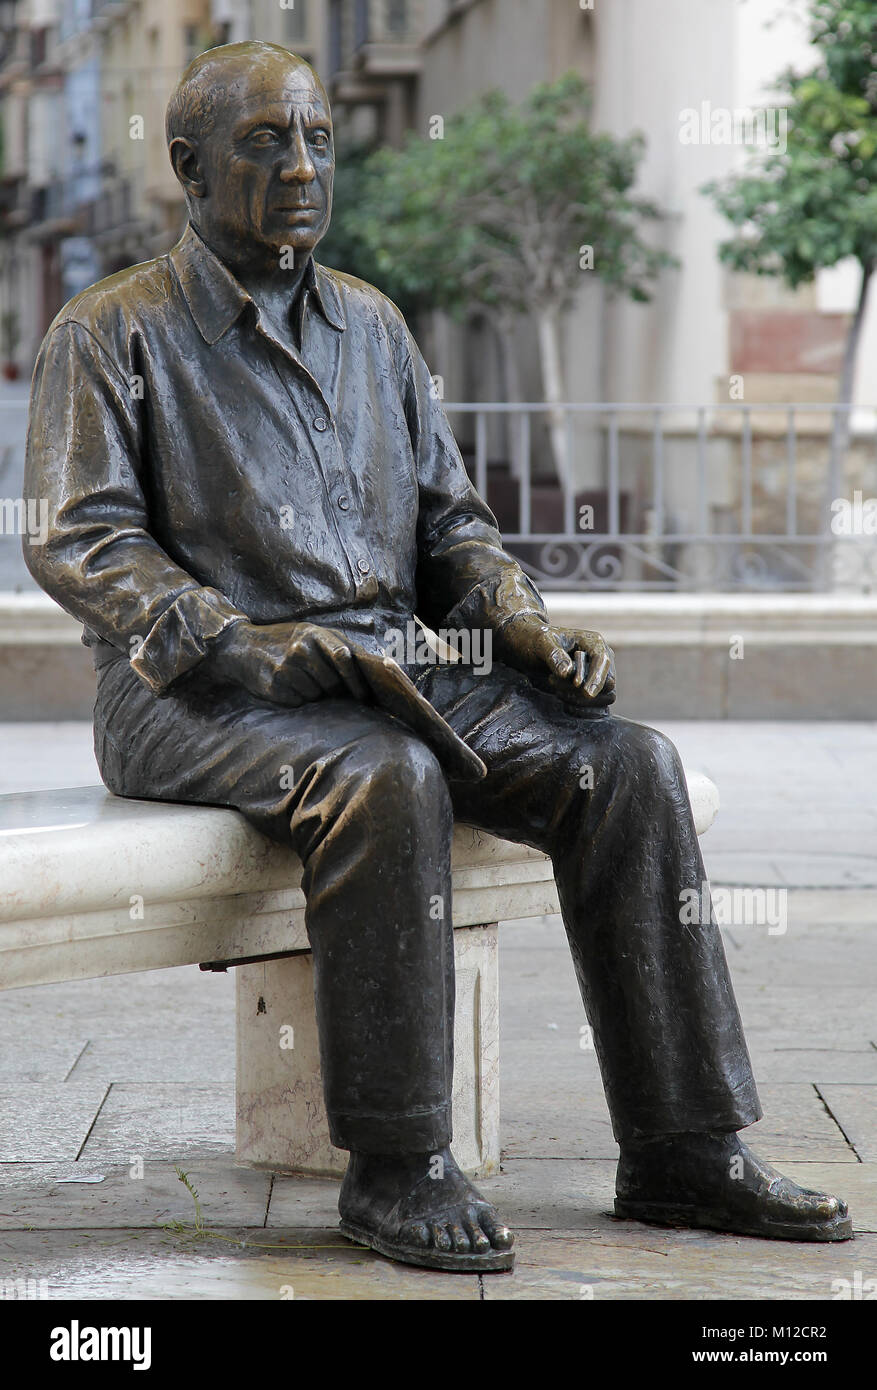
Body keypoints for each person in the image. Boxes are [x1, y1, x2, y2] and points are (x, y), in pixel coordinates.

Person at [23, 42, 852, 1273]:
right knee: (383, 779)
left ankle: (684, 1144)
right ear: (189, 168)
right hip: (190, 689)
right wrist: (246, 642)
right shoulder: (111, 333)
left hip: (394, 666)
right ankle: (400, 1161)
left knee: (627, 766)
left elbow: (451, 527)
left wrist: (521, 618)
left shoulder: (371, 324)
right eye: (264, 143)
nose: (302, 165)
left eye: (315, 138)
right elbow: (79, 537)